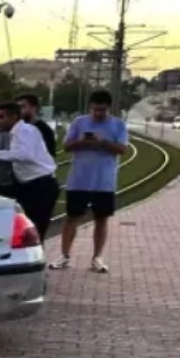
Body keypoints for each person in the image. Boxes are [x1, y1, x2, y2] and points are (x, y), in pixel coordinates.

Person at [52, 90, 129, 273]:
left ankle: (97, 258)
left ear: (108, 108)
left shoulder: (118, 125)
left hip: (104, 181)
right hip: (78, 180)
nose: (97, 114)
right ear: (90, 107)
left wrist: (102, 142)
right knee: (72, 218)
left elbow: (122, 149)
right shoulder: (79, 122)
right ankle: (64, 255)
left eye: (101, 110)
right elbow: (66, 146)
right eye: (94, 110)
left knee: (101, 219)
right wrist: (81, 142)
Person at [0, 102, 59, 240]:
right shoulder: (15, 133)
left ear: (13, 117)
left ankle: (37, 258)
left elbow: (24, 155)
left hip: (41, 184)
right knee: (27, 226)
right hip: (29, 185)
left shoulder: (25, 131)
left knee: (36, 227)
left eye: (1, 117)